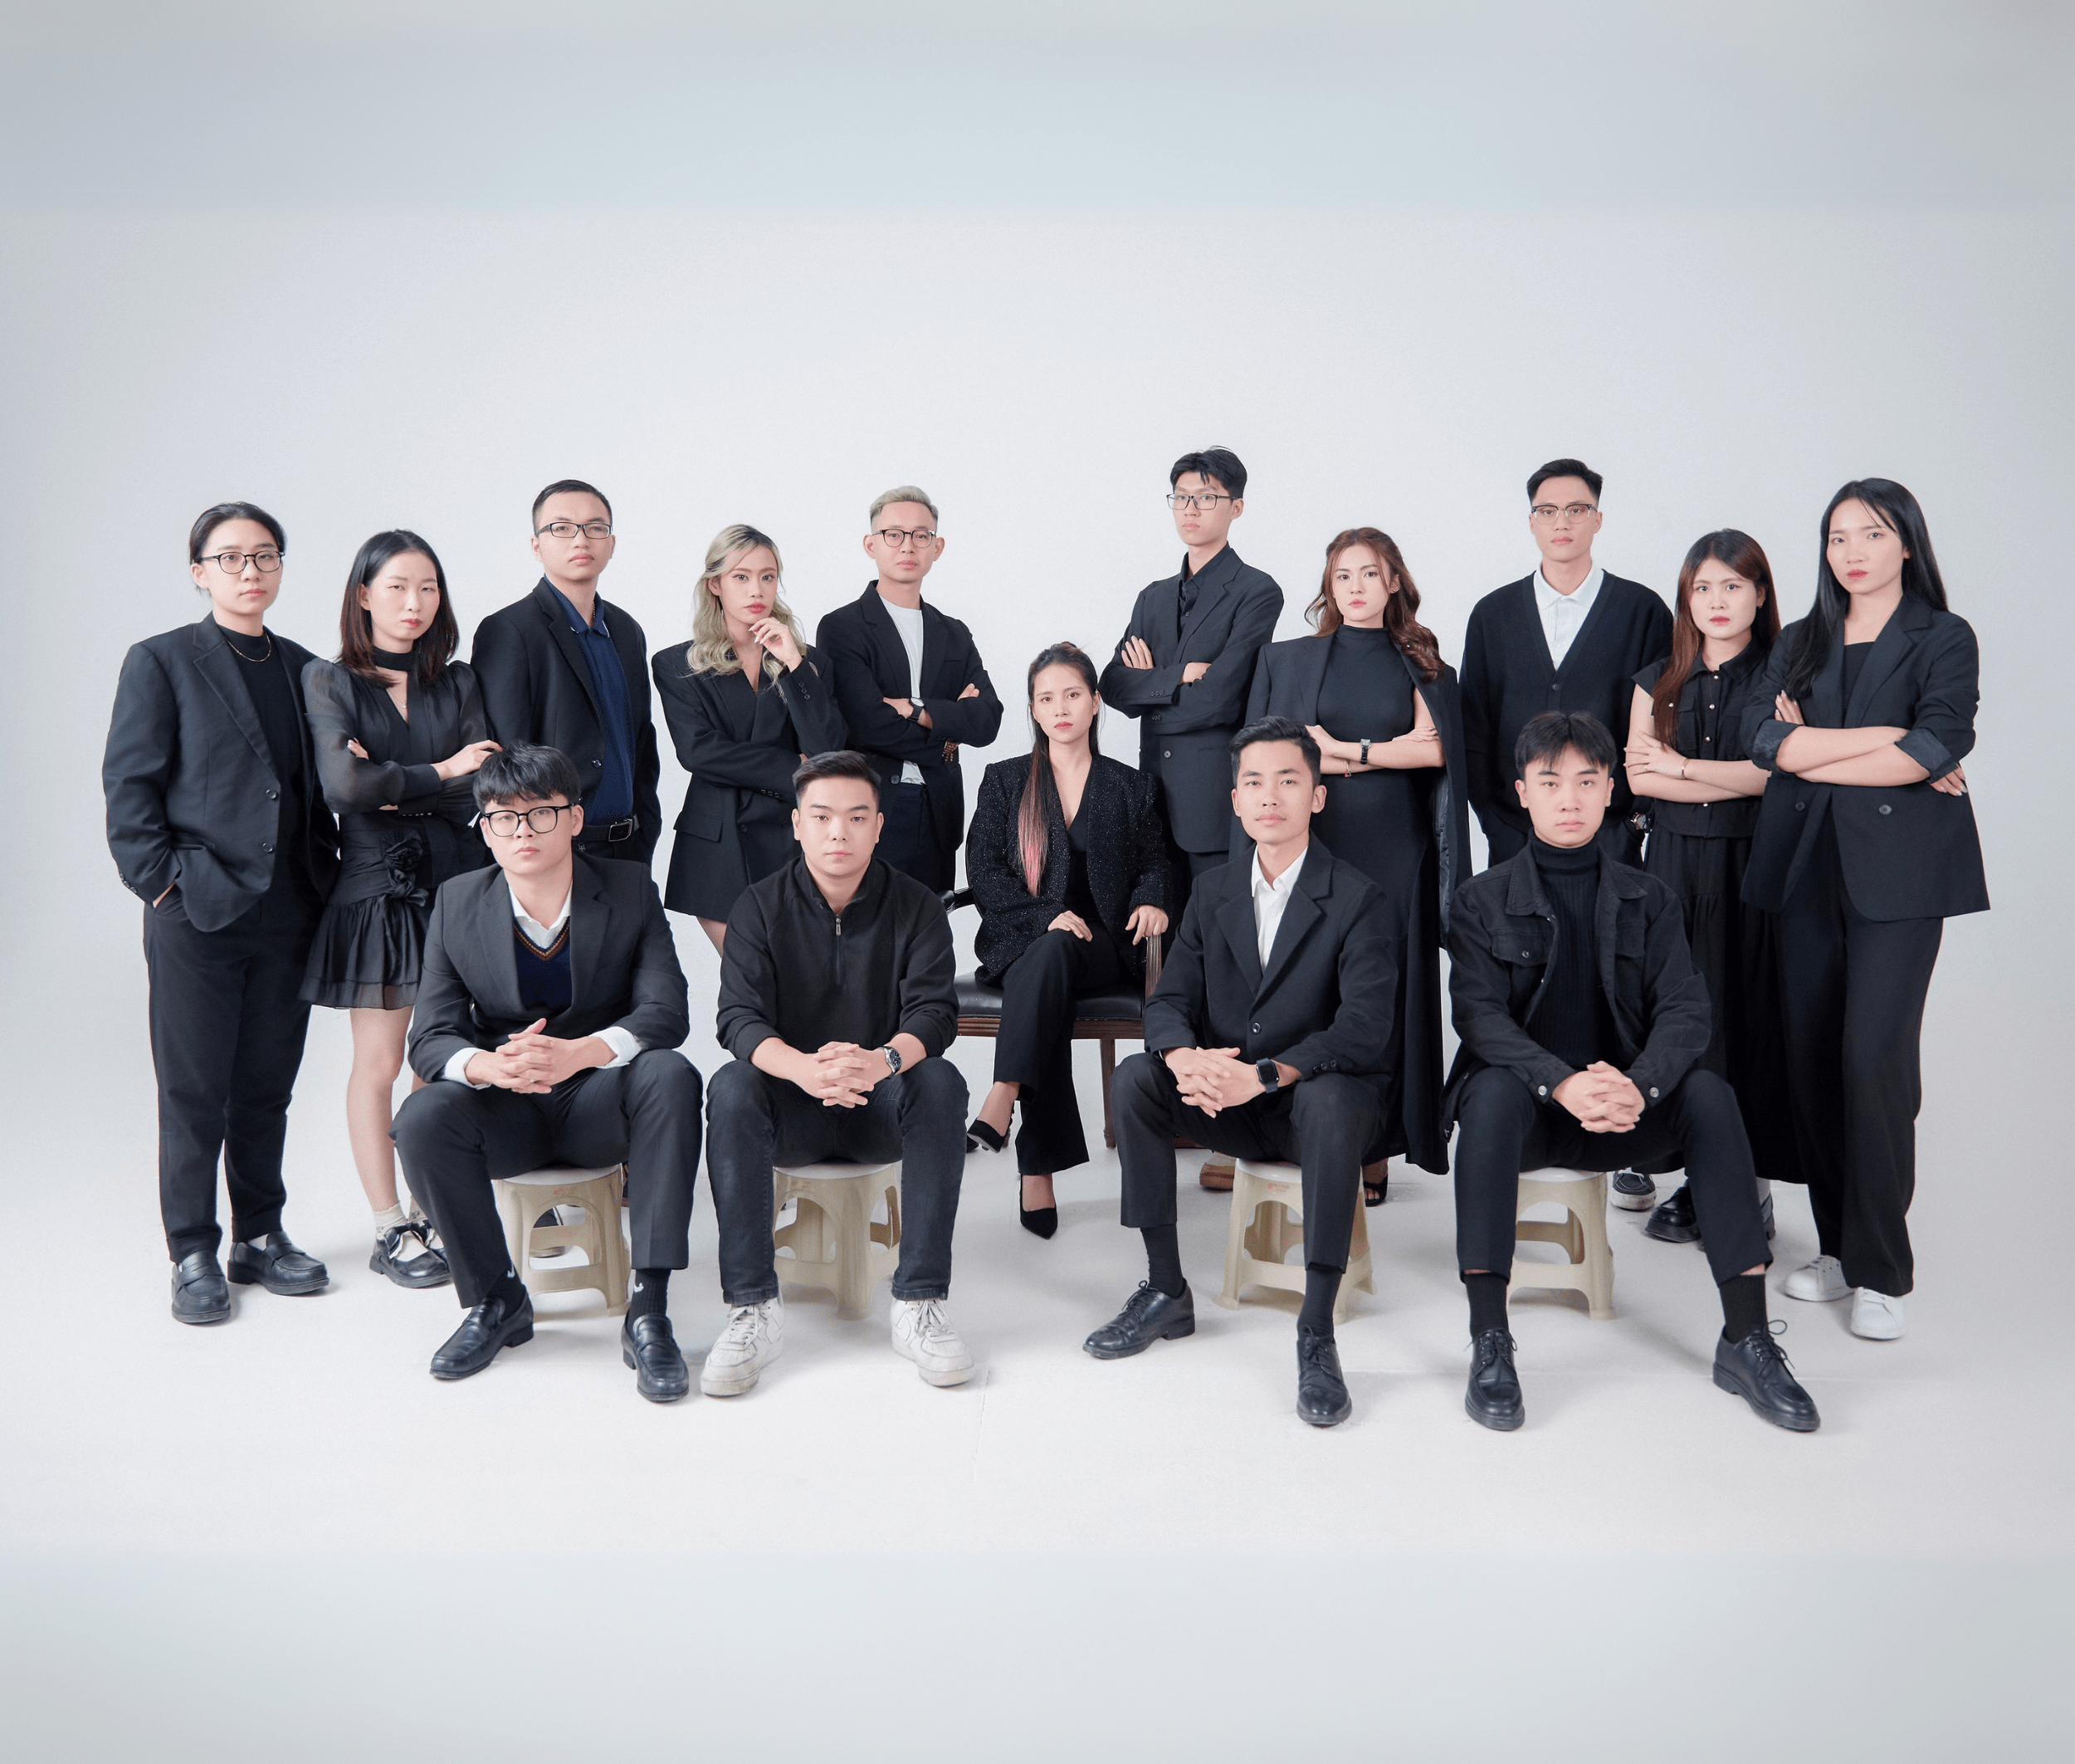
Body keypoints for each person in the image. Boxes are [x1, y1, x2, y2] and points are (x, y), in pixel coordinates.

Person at [1443, 711, 1818, 1434]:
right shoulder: (1480, 900)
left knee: (1709, 1095)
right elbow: (1479, 1018)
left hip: (1624, 1114)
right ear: (1522, 792)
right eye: (1551, 782)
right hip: (1529, 1114)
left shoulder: (1651, 898)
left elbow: (1686, 1011)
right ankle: (1490, 1339)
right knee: (1485, 1096)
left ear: (1611, 789)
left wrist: (1637, 1087)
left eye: (1587, 781)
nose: (1570, 799)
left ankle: (1747, 1337)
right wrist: (1562, 1082)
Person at [1084, 717, 1395, 1429]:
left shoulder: (1360, 899)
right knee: (1135, 1079)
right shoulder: (1212, 890)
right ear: (1235, 800)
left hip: (1317, 1104)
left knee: (1327, 1102)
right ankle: (1166, 1289)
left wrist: (1265, 1075)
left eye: (1288, 780)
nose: (1270, 796)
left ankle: (1316, 1327)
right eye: (1254, 782)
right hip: (1230, 1102)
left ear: (1317, 795)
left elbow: (1363, 1028)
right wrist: (1182, 1057)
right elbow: (1169, 1001)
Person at [1741, 479, 1986, 1342]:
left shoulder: (1943, 635)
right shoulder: (1802, 638)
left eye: (1872, 534)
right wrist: (1886, 742)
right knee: (1811, 1060)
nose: (1851, 551)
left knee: (1872, 1060)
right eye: (1837, 536)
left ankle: (1882, 1270)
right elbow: (1762, 740)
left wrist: (1814, 752)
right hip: (1803, 869)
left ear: (1907, 543)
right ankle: (1838, 1249)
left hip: (1901, 880)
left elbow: (1938, 742)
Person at [390, 745, 703, 1400]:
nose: (522, 832)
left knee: (670, 1075)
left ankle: (649, 1308)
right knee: (420, 1116)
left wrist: (580, 1051)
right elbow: (431, 1038)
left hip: (598, 1103)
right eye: (503, 818)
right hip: (509, 1112)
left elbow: (666, 1012)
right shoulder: (456, 902)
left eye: (540, 814)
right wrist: (488, 1065)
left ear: (575, 818)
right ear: (485, 828)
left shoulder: (629, 889)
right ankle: (496, 1299)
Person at [104, 501, 341, 1324]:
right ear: (199, 571)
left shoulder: (305, 667)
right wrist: (163, 885)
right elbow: (130, 787)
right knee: (194, 1089)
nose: (250, 570)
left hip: (290, 908)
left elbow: (314, 789)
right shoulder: (162, 660)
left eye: (265, 554)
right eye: (231, 556)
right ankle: (193, 1250)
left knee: (266, 1085)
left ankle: (260, 1236)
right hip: (196, 911)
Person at [703, 751, 973, 1393]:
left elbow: (935, 1013)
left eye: (856, 817)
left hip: (879, 1105)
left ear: (878, 825)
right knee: (731, 1085)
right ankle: (752, 1307)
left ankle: (919, 1302)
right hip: (792, 1109)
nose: (838, 833)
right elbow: (737, 1018)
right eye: (822, 816)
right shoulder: (757, 906)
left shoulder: (917, 906)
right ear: (797, 824)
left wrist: (881, 1061)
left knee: (941, 1081)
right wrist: (802, 1068)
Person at [1458, 457, 1674, 1216]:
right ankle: (1530, 1116)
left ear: (1598, 519)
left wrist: (1629, 821)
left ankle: (1624, 1138)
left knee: (1614, 978)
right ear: (1531, 522)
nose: (1562, 523)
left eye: (1576, 510)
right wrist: (1501, 824)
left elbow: (1656, 721)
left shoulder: (1642, 610)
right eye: (1547, 511)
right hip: (1516, 837)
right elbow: (1475, 727)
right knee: (1525, 977)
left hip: (1607, 833)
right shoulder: (1493, 613)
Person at [1244, 527, 1472, 1204]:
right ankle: (1306, 1131)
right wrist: (1380, 750)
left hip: (1395, 844)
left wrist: (1341, 751)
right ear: (1329, 586)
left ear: (1393, 581)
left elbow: (1434, 753)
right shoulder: (1289, 659)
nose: (1355, 587)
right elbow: (1276, 754)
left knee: (1386, 991)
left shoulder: (1422, 661)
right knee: (1312, 983)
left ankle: (1377, 1146)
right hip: (1321, 836)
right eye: (1342, 576)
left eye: (1369, 573)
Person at [300, 530, 500, 1290]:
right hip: (378, 888)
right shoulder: (330, 680)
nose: (414, 603)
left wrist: (391, 777)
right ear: (363, 594)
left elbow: (483, 785)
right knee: (380, 1062)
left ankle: (429, 1207)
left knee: (438, 1057)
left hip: (458, 883)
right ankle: (389, 1225)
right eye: (396, 587)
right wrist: (441, 770)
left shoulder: (458, 680)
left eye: (428, 588)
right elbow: (344, 789)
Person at [1623, 530, 1799, 1247]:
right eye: (1703, 588)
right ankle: (1687, 1169)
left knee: (1746, 1017)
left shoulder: (1785, 678)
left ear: (1760, 593)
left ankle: (1745, 1185)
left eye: (1732, 585)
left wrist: (1684, 768)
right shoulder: (1657, 679)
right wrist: (1715, 776)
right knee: (1678, 1015)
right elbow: (1640, 777)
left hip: (1754, 864)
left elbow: (1774, 775)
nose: (1717, 601)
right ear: (1685, 599)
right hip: (1670, 865)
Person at [963, 644, 1169, 1235]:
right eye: (1046, 698)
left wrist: (1152, 898)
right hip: (1025, 937)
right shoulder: (1006, 780)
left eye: (1072, 694)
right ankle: (1035, 1162)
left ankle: (1006, 1096)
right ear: (1032, 708)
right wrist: (1047, 915)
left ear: (1095, 702)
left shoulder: (1131, 785)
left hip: (1105, 943)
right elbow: (984, 870)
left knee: (1053, 960)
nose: (1060, 708)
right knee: (1047, 965)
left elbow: (1156, 861)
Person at [1099, 447, 1283, 935]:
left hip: (1213, 799)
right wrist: (1179, 675)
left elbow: (1223, 698)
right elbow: (1112, 685)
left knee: (1220, 936)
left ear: (1235, 507)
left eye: (1205, 497)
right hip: (1150, 795)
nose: (1190, 509)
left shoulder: (1257, 591)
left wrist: (1149, 690)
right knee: (1157, 944)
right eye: (1180, 497)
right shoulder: (1152, 597)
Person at [652, 524, 847, 951]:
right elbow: (699, 751)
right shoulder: (677, 664)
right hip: (719, 844)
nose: (756, 589)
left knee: (801, 977)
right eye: (741, 576)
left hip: (793, 838)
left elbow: (827, 751)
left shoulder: (809, 663)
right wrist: (795, 768)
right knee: (746, 976)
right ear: (715, 584)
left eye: (767, 576)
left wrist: (793, 663)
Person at [815, 486, 1002, 891]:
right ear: (871, 545)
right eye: (893, 534)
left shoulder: (954, 633)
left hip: (938, 811)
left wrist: (914, 708)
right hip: (870, 807)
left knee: (932, 925)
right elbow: (866, 725)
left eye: (921, 535)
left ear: (937, 547)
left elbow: (988, 720)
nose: (907, 545)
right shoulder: (841, 627)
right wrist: (949, 732)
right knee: (865, 925)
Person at [471, 479, 662, 868]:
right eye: (562, 528)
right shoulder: (509, 630)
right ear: (536, 545)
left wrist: (646, 830)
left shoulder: (627, 631)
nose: (581, 540)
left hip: (628, 849)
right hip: (552, 851)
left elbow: (641, 741)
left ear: (611, 543)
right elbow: (508, 757)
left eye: (595, 528)